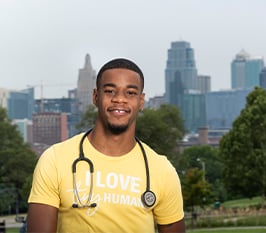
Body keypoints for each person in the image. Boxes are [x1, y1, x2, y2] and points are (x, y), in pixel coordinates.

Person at [26, 58, 186, 233]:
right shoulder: (55, 160)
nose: (119, 99)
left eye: (130, 93)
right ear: (96, 97)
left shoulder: (161, 170)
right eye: (110, 91)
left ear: (141, 101)